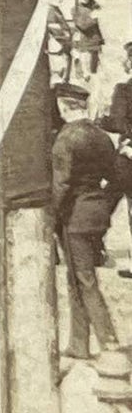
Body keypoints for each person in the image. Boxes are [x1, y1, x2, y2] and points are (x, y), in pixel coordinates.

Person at [52, 80, 121, 361]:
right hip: (97, 214)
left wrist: (50, 217)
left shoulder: (66, 139)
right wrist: (101, 203)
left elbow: (61, 185)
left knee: (84, 280)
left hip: (75, 218)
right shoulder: (101, 136)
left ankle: (110, 345)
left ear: (64, 106)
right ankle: (79, 344)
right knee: (77, 279)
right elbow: (117, 177)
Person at [99, 41, 132, 279]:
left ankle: (91, 244)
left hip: (128, 156)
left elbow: (119, 123)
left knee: (108, 198)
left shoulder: (124, 90)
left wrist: (103, 120)